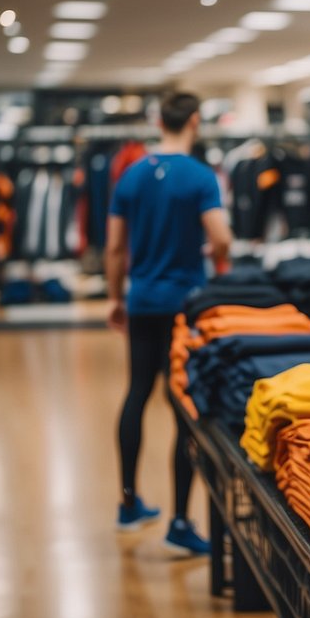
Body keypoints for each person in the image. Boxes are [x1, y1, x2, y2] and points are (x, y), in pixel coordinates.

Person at [106, 92, 232, 555]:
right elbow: (220, 238)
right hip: (185, 305)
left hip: (142, 300)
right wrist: (213, 254)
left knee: (137, 392)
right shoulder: (201, 176)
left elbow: (116, 248)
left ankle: (127, 503)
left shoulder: (131, 175)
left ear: (159, 121)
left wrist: (115, 297)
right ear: (195, 121)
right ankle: (180, 520)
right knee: (183, 403)